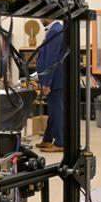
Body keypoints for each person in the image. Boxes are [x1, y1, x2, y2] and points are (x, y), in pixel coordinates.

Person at [36, 19, 65, 153]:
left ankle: (60, 142)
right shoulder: (55, 29)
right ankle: (47, 139)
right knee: (53, 111)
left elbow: (51, 59)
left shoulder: (55, 31)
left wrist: (46, 82)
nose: (40, 19)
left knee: (56, 111)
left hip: (54, 81)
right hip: (54, 80)